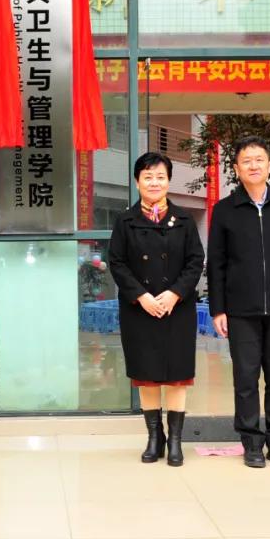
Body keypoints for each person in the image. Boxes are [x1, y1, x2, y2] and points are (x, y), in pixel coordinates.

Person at [207, 136, 270, 469]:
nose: (253, 165)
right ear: (236, 168)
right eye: (246, 160)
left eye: (259, 159)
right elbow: (216, 263)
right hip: (240, 310)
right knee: (246, 378)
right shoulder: (224, 210)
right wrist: (218, 309)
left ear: (269, 165)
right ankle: (251, 442)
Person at [109, 152, 205, 466]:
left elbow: (195, 261)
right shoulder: (125, 221)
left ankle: (175, 440)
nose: (154, 182)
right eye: (148, 177)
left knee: (177, 375)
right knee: (147, 374)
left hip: (177, 309)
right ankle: (155, 437)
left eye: (160, 177)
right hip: (140, 310)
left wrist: (175, 293)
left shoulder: (184, 220)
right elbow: (117, 263)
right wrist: (141, 296)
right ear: (137, 182)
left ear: (168, 181)